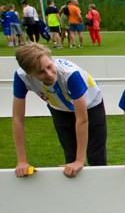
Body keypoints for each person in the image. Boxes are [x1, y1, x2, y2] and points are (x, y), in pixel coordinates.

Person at [12, 42, 107, 178]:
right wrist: (22, 161)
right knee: (70, 155)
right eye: (41, 72)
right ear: (29, 73)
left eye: (49, 66)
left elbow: (82, 120)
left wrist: (80, 160)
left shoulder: (70, 74)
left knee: (96, 155)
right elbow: (17, 119)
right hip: (59, 107)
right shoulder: (21, 77)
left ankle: (101, 191)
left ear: (51, 59)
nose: (49, 74)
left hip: (91, 104)